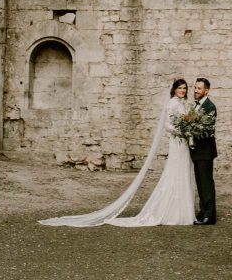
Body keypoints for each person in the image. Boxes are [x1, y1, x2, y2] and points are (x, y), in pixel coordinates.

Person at [39, 78, 195, 228]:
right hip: (177, 141)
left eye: (184, 88)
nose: (182, 90)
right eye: (180, 88)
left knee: (182, 172)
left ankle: (180, 210)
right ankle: (171, 211)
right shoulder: (172, 103)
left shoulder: (183, 103)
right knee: (174, 171)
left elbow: (184, 119)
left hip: (183, 143)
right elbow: (168, 125)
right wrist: (183, 131)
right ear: (174, 89)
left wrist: (189, 127)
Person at [190, 77, 218, 225]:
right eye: (195, 88)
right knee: (200, 183)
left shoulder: (209, 106)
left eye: (199, 88)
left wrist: (190, 130)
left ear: (206, 90)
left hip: (205, 151)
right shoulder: (196, 106)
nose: (195, 90)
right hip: (197, 151)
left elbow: (207, 129)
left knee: (206, 183)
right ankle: (203, 212)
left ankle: (210, 216)